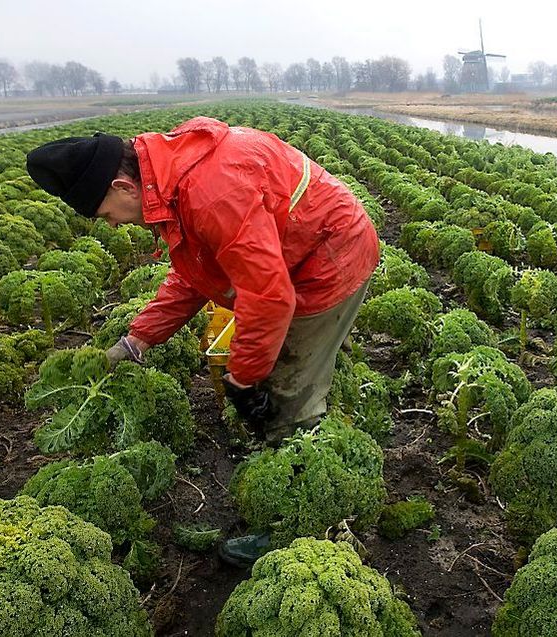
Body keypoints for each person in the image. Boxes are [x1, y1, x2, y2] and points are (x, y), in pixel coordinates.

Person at [26, 116, 380, 565]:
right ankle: (321, 361)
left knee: (287, 395)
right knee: (279, 360)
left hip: (327, 261)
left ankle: (296, 524)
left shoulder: (211, 191)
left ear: (122, 186)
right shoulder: (170, 173)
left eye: (104, 215)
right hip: (298, 252)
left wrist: (246, 380)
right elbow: (196, 273)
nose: (112, 226)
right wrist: (137, 340)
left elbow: (269, 297)